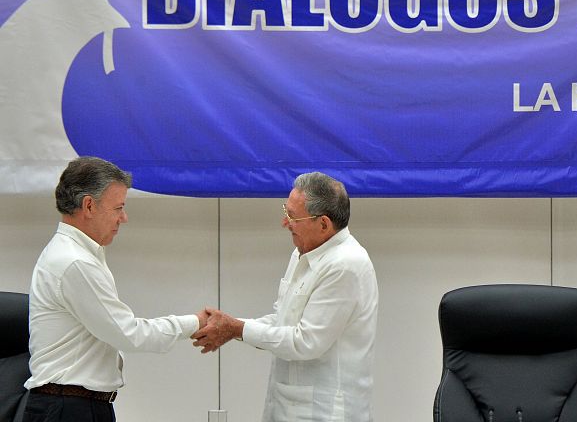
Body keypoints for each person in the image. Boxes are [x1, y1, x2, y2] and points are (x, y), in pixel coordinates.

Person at [23, 156, 207, 422]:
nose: (124, 218)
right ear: (88, 206)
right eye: (118, 208)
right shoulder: (75, 262)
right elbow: (128, 334)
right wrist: (196, 322)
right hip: (69, 410)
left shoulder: (76, 254)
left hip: (75, 404)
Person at [191, 172, 379, 422]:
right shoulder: (303, 252)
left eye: (293, 216)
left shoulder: (346, 265)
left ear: (323, 224)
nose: (285, 222)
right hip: (288, 405)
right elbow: (281, 320)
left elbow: (306, 341)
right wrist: (229, 327)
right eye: (286, 211)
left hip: (326, 412)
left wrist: (236, 329)